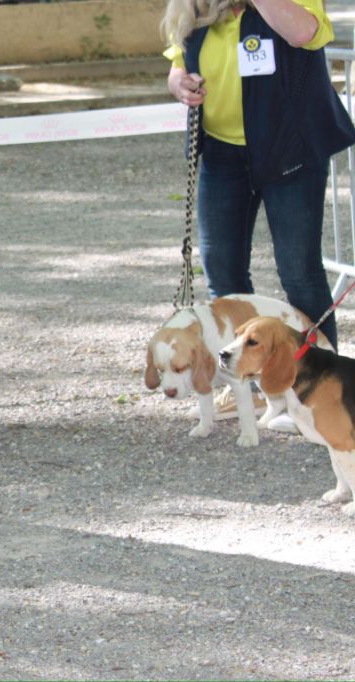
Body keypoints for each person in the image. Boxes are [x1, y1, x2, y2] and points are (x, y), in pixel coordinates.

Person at [162, 0, 355, 428]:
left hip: (291, 152)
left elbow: (303, 33)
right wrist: (182, 85)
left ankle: (320, 385)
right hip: (221, 156)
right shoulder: (197, 8)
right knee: (224, 272)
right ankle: (247, 387)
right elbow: (177, 64)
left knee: (299, 271)